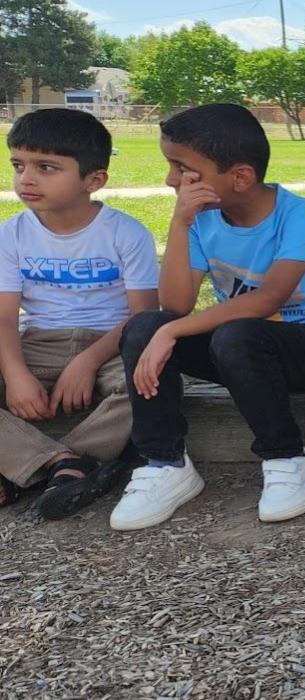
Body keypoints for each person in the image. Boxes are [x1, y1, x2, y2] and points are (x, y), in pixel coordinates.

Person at [112, 104, 305, 531]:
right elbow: (174, 304)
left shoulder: (299, 216)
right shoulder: (202, 222)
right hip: (240, 350)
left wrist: (173, 329)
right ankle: (166, 463)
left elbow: (269, 299)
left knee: (234, 334)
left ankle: (287, 457)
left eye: (183, 169)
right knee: (143, 327)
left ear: (240, 177)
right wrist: (179, 224)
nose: (172, 180)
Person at [0, 107, 159, 519]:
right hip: (37, 344)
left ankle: (45, 463)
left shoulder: (125, 233)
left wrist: (87, 361)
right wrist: (17, 376)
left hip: (107, 347)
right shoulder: (11, 234)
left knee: (149, 383)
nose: (26, 179)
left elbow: (142, 315)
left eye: (46, 167)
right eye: (18, 164)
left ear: (94, 179)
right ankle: (59, 463)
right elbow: (4, 317)